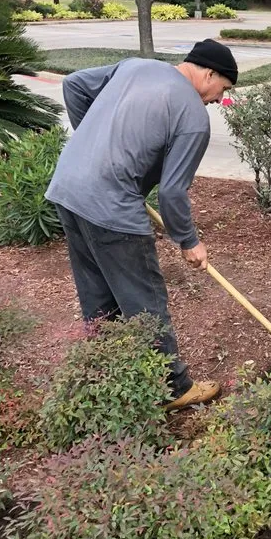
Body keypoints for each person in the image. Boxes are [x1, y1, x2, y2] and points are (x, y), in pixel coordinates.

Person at [46, 39, 238, 410]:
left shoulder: (137, 66)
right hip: (111, 207)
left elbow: (73, 85)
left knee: (97, 294)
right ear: (209, 73)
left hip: (68, 190)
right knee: (144, 299)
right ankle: (172, 388)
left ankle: (105, 372)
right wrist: (188, 241)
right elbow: (172, 192)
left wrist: (96, 146)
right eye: (223, 90)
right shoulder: (193, 118)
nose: (218, 100)